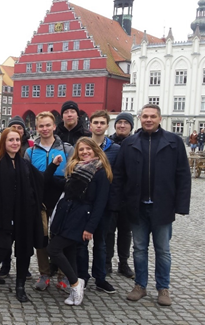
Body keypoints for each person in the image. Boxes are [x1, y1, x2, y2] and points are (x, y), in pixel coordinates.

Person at [110, 104, 191, 306]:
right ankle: (140, 285)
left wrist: (181, 205)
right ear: (140, 118)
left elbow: (183, 174)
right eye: (145, 116)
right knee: (139, 248)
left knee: (162, 250)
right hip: (136, 206)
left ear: (159, 118)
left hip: (162, 205)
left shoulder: (173, 141)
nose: (148, 119)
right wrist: (119, 202)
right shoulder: (129, 143)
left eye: (152, 116)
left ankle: (163, 288)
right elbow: (119, 176)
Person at [0, 127, 44, 303]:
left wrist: (55, 166)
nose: (14, 143)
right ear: (4, 143)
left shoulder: (25, 165)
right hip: (3, 216)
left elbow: (41, 181)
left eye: (17, 140)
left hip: (24, 215)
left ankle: (20, 287)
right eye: (10, 140)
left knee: (24, 252)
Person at [47, 137, 113, 305]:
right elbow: (54, 183)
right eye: (81, 149)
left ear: (95, 150)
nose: (84, 152)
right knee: (70, 253)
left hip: (81, 219)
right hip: (65, 216)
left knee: (53, 249)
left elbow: (100, 204)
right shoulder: (75, 169)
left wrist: (90, 228)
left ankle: (76, 283)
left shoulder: (100, 172)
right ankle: (75, 290)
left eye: (88, 149)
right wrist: (52, 166)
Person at [23, 111, 74, 292]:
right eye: (41, 126)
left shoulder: (67, 149)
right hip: (40, 201)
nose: (44, 129)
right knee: (42, 238)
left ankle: (63, 275)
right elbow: (27, 177)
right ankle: (44, 274)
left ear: (54, 126)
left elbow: (72, 175)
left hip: (61, 200)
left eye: (47, 125)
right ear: (36, 128)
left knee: (60, 238)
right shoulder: (30, 151)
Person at [75, 111, 119, 294]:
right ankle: (82, 277)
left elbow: (119, 178)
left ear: (107, 125)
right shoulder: (82, 147)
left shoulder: (115, 149)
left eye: (102, 122)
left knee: (101, 244)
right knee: (81, 245)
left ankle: (100, 277)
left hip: (104, 207)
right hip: (82, 208)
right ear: (90, 125)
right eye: (95, 122)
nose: (99, 125)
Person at [0, 115, 34, 278]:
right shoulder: (0, 157)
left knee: (24, 239)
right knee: (6, 240)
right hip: (7, 204)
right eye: (13, 127)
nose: (17, 130)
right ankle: (5, 265)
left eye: (19, 128)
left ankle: (23, 269)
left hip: (23, 202)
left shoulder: (31, 148)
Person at [105, 112, 135, 279]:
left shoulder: (135, 143)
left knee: (125, 232)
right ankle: (107, 262)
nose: (122, 125)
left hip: (128, 196)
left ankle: (123, 262)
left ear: (131, 126)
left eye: (126, 123)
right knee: (108, 232)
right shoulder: (108, 144)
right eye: (119, 122)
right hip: (110, 194)